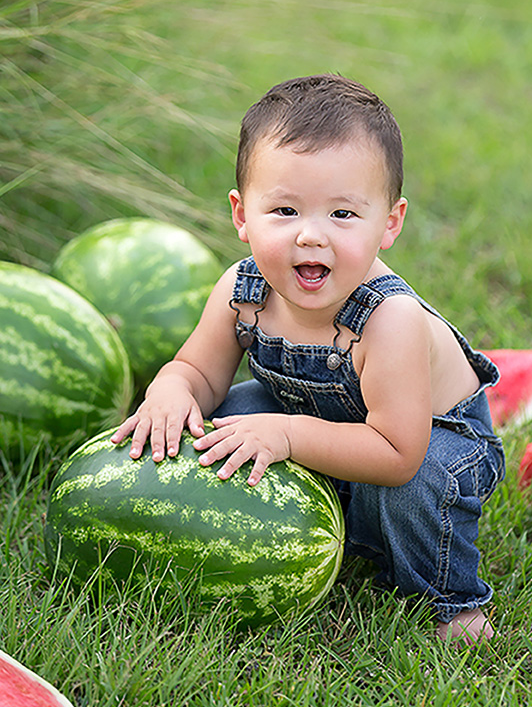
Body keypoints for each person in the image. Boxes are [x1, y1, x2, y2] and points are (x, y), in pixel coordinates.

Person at [111, 74, 505, 644]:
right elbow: (197, 371)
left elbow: (397, 453)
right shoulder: (240, 290)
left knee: (415, 486)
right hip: (325, 422)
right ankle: (270, 535)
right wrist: (172, 390)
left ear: (388, 223)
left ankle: (450, 599)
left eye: (342, 215)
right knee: (225, 415)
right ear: (242, 214)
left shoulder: (388, 319)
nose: (310, 236)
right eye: (285, 210)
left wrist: (288, 436)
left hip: (430, 440)